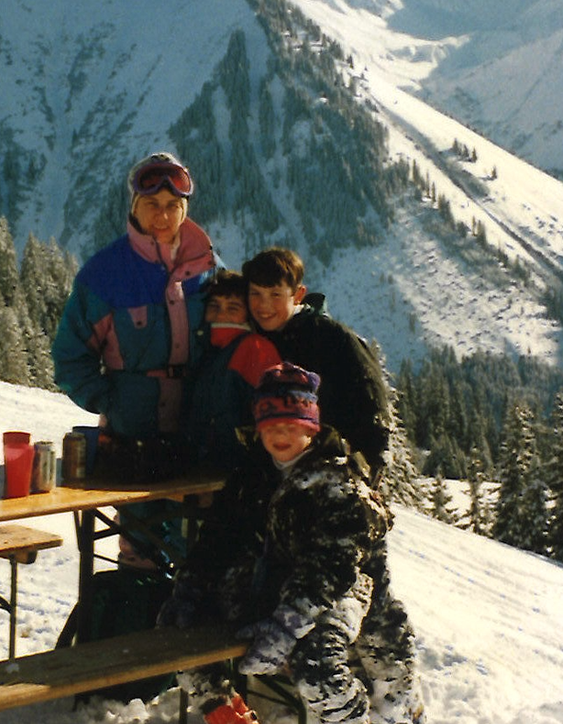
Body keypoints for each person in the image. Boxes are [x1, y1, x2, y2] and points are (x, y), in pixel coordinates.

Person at [159, 362, 422, 724]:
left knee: (314, 658)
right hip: (275, 580)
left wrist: (283, 630)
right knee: (174, 627)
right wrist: (190, 588)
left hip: (346, 591)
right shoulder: (254, 473)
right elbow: (220, 539)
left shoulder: (340, 484)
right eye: (270, 424)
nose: (280, 435)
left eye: (292, 425)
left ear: (311, 428)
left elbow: (332, 572)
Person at [52, 152, 218, 566]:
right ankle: (134, 619)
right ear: (134, 207)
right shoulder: (104, 274)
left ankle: (183, 625)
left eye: (171, 207)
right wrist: (111, 401)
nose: (162, 216)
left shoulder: (208, 269)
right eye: (151, 206)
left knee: (197, 549)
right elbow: (70, 358)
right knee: (138, 545)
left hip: (195, 437)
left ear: (185, 210)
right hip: (132, 441)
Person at [242, 247, 390, 482]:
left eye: (275, 295)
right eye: (255, 294)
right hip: (272, 468)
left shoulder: (331, 337)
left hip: (328, 468)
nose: (264, 305)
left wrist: (372, 458)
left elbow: (369, 395)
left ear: (298, 295)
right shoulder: (252, 342)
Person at [184, 269, 281, 464]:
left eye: (233, 308)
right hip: (208, 463)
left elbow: (276, 414)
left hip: (240, 464)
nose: (221, 314)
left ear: (248, 314)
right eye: (214, 306)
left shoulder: (255, 348)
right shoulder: (208, 349)